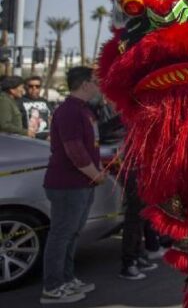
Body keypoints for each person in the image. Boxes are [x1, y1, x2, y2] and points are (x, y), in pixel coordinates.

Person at [40, 66, 104, 304]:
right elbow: (74, 150)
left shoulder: (84, 110)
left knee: (72, 233)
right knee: (61, 235)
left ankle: (66, 278)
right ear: (85, 84)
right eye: (95, 81)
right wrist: (95, 174)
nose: (98, 85)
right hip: (67, 185)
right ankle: (52, 287)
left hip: (82, 183)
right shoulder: (68, 111)